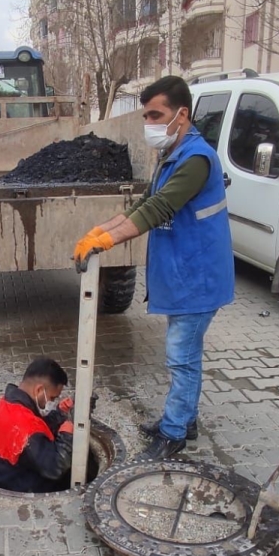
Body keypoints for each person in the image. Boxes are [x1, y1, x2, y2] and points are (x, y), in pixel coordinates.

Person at [73, 75, 234, 461]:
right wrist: (99, 231)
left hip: (199, 277)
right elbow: (143, 203)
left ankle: (174, 432)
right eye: (146, 115)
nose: (150, 124)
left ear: (182, 114)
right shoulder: (172, 155)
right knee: (185, 354)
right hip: (184, 274)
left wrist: (109, 241)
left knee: (181, 355)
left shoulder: (196, 159)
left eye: (156, 115)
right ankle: (184, 418)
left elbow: (159, 210)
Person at [0, 357, 75, 492]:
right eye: (52, 398)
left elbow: (37, 427)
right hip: (6, 485)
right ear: (39, 390)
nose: (52, 402)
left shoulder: (7, 403)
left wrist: (60, 413)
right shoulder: (27, 428)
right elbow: (54, 468)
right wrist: (66, 437)